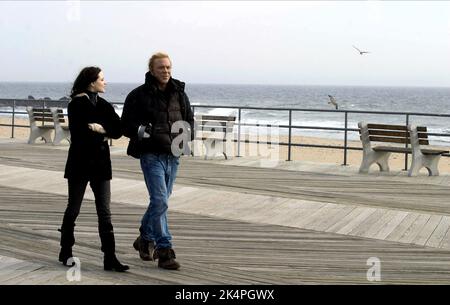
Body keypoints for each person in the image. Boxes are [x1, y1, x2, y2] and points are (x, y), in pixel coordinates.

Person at [121, 52, 194, 270]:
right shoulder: (138, 95)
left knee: (159, 202)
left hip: (174, 154)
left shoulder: (180, 93)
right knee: (160, 200)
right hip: (151, 154)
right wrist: (145, 132)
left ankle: (144, 237)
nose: (166, 71)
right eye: (161, 68)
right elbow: (126, 125)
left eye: (169, 67)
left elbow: (189, 119)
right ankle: (165, 250)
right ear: (151, 70)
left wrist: (187, 137)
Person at [58, 66, 129, 272]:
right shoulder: (76, 104)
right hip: (79, 163)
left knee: (105, 212)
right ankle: (66, 250)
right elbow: (79, 133)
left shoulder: (104, 104)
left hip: (100, 163)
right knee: (74, 208)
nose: (105, 82)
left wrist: (100, 128)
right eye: (102, 79)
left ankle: (110, 258)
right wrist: (100, 131)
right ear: (92, 82)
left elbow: (118, 130)